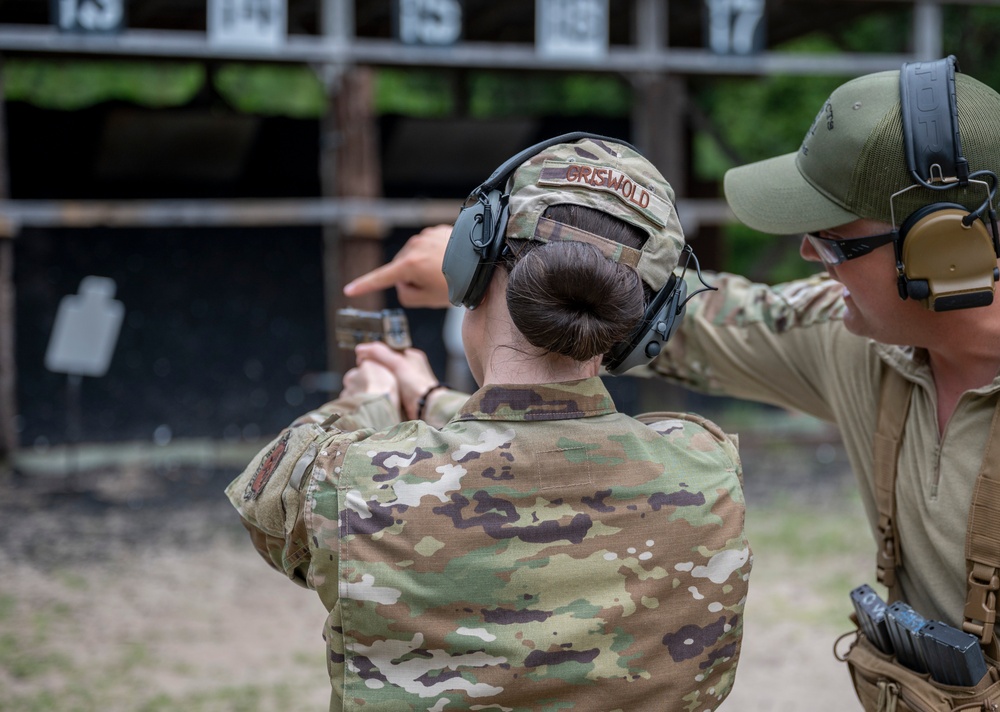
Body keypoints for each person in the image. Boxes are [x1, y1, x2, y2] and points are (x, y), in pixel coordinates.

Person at [343, 60, 1000, 692]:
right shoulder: (860, 340)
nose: (808, 255)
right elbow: (673, 315)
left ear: (947, 252)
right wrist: (503, 265)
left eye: (833, 242)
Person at [227, 135, 751, 711]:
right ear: (650, 319)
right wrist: (428, 397)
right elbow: (550, 434)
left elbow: (271, 487)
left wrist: (373, 399)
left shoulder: (351, 485)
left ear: (470, 260)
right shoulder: (707, 469)